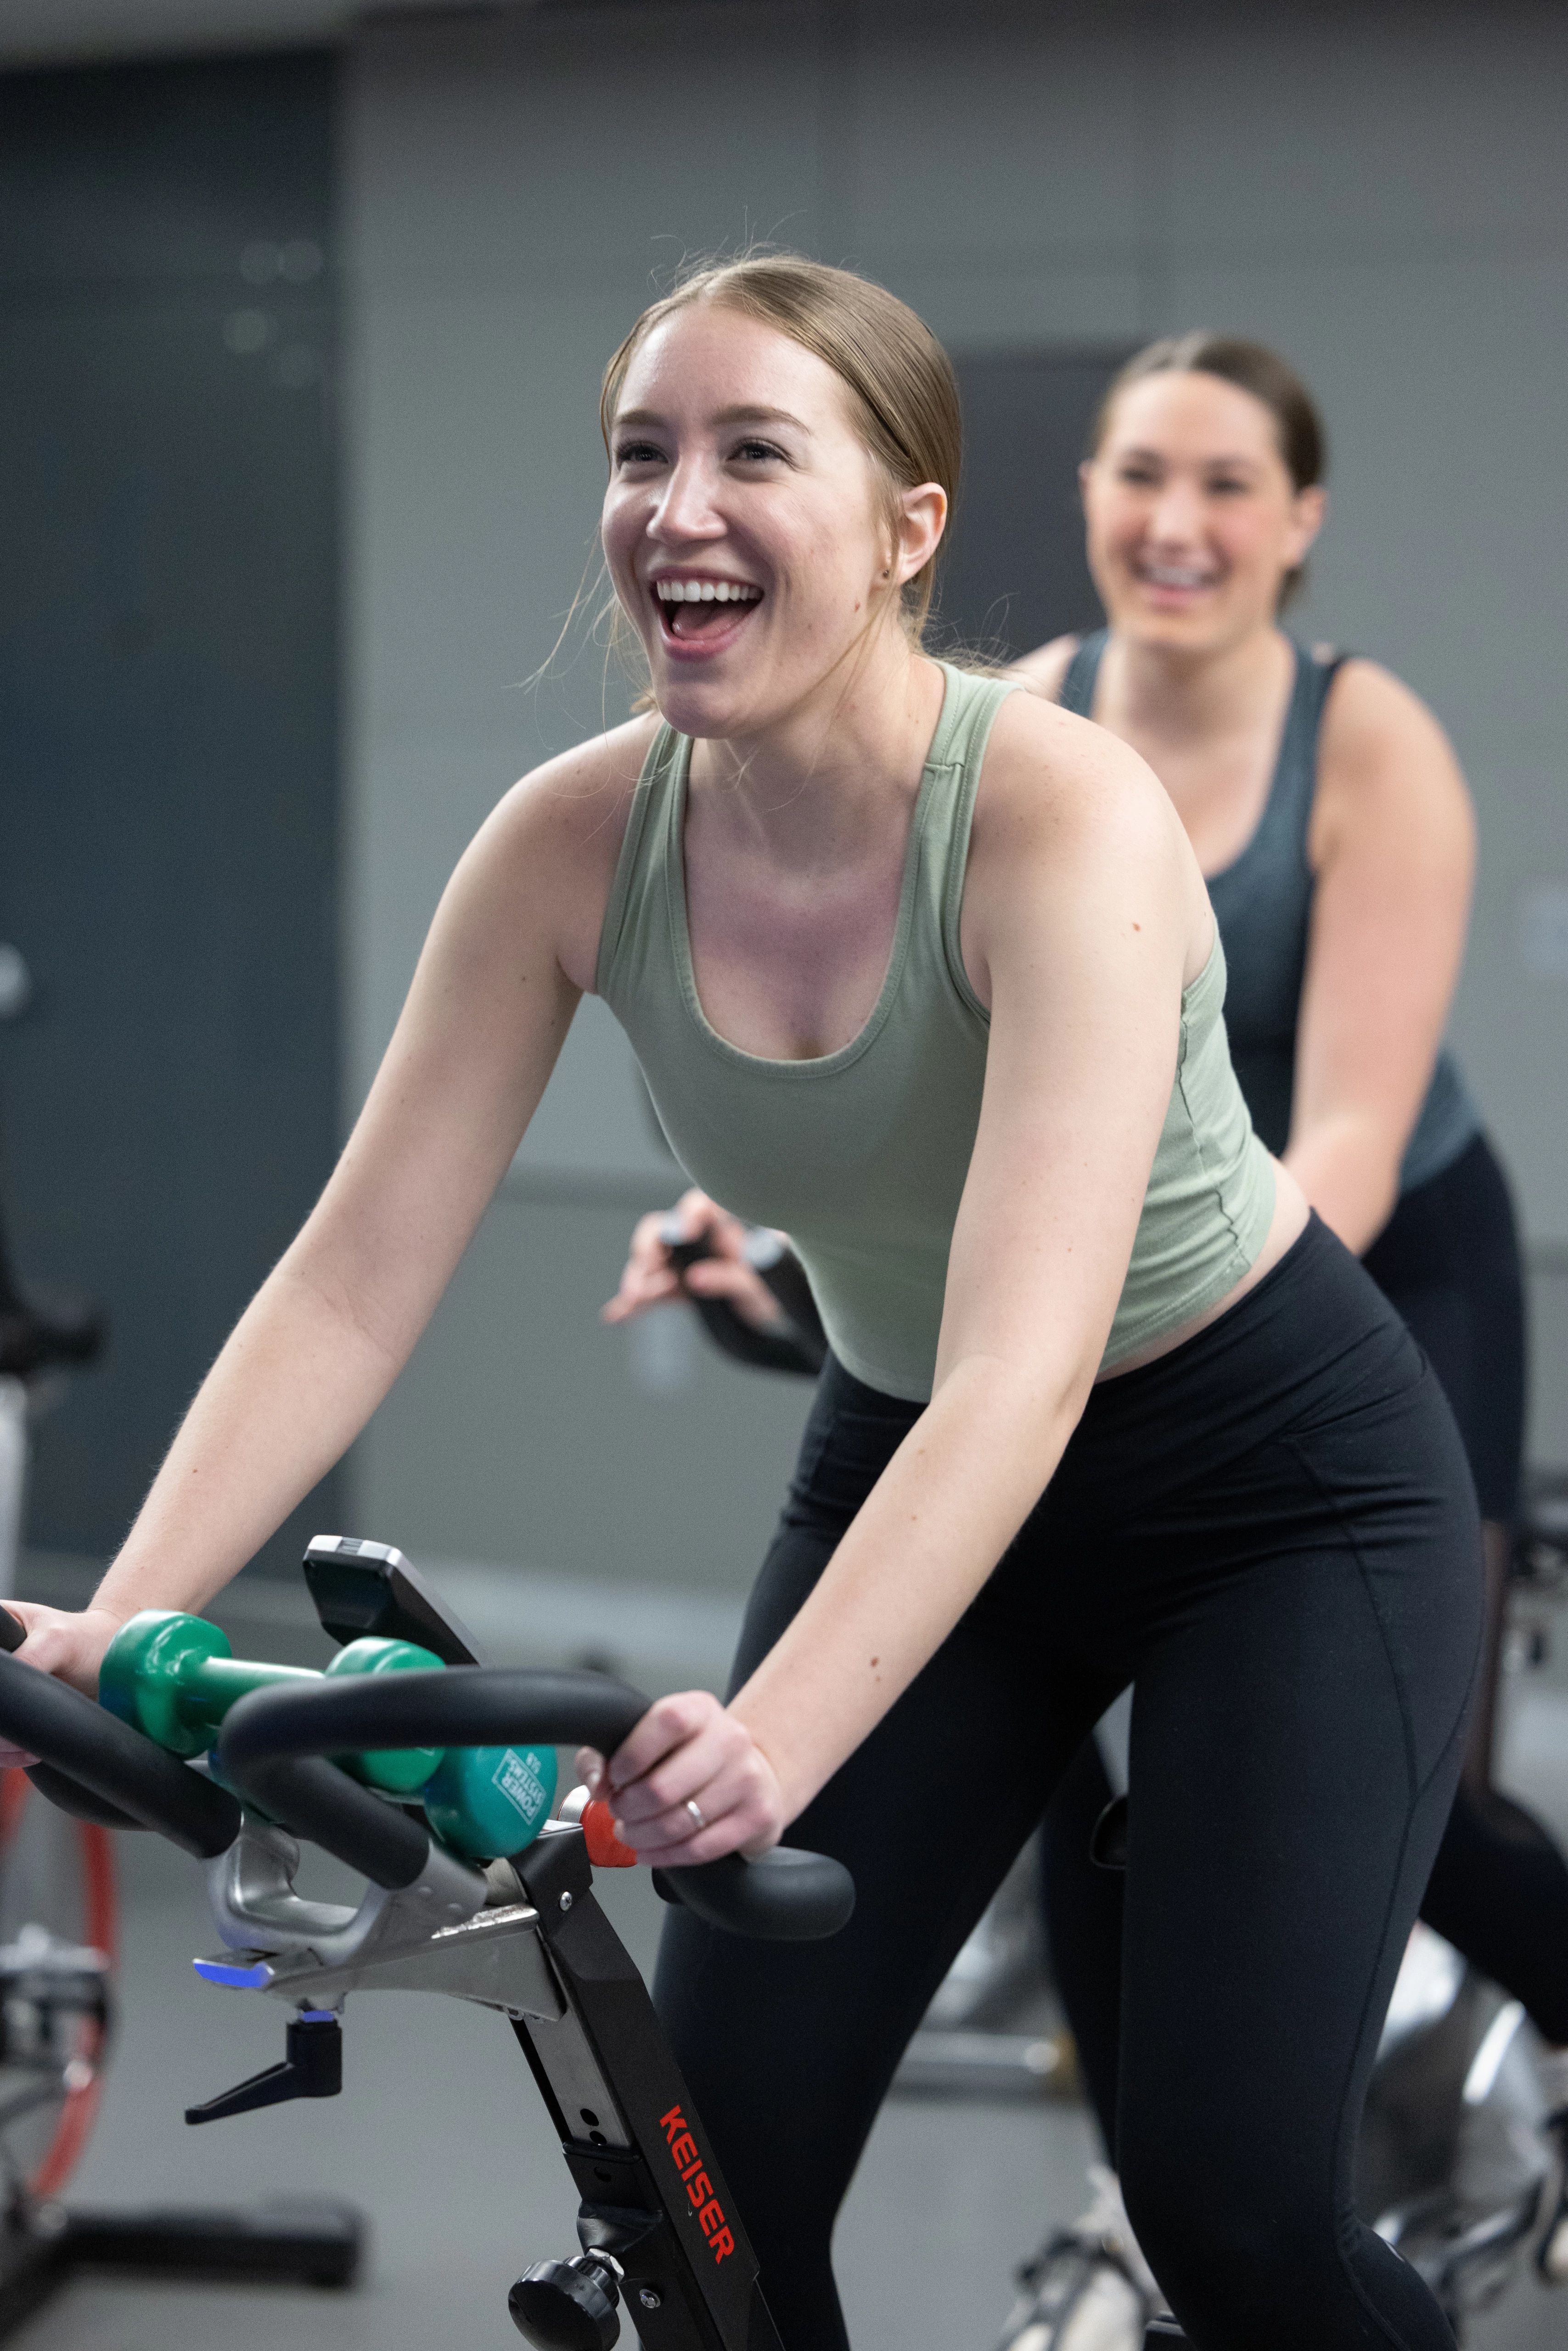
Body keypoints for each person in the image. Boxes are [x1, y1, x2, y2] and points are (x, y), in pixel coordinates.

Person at [1, 257, 1482, 2351]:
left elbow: (1024, 1360)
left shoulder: (1057, 817)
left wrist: (771, 1734)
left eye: (752, 451)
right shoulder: (570, 844)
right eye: (639, 452)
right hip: (911, 1454)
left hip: (1272, 1483)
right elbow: (353, 1273)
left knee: (1230, 2207)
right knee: (701, 2180)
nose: (674, 505)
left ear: (906, 528)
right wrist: (122, 1622)